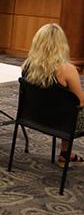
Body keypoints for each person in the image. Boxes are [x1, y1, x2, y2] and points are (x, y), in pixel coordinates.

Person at [21, 23, 84, 167]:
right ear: (62, 45)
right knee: (72, 107)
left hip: (32, 117)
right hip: (60, 121)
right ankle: (65, 154)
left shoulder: (26, 65)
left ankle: (65, 154)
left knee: (64, 104)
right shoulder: (68, 69)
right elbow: (80, 102)